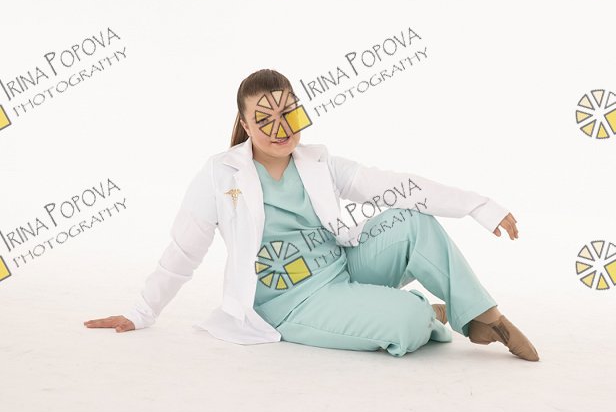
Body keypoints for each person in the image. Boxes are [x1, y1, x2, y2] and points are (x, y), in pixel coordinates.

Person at [84, 69, 539, 361]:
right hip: (291, 301)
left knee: (412, 221)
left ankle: (483, 317)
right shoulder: (220, 175)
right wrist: (141, 312)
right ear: (245, 124)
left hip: (343, 266)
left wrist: (480, 206)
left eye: (289, 113)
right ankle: (430, 310)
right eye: (265, 120)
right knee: (406, 322)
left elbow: (397, 186)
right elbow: (184, 251)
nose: (280, 129)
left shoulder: (318, 161)